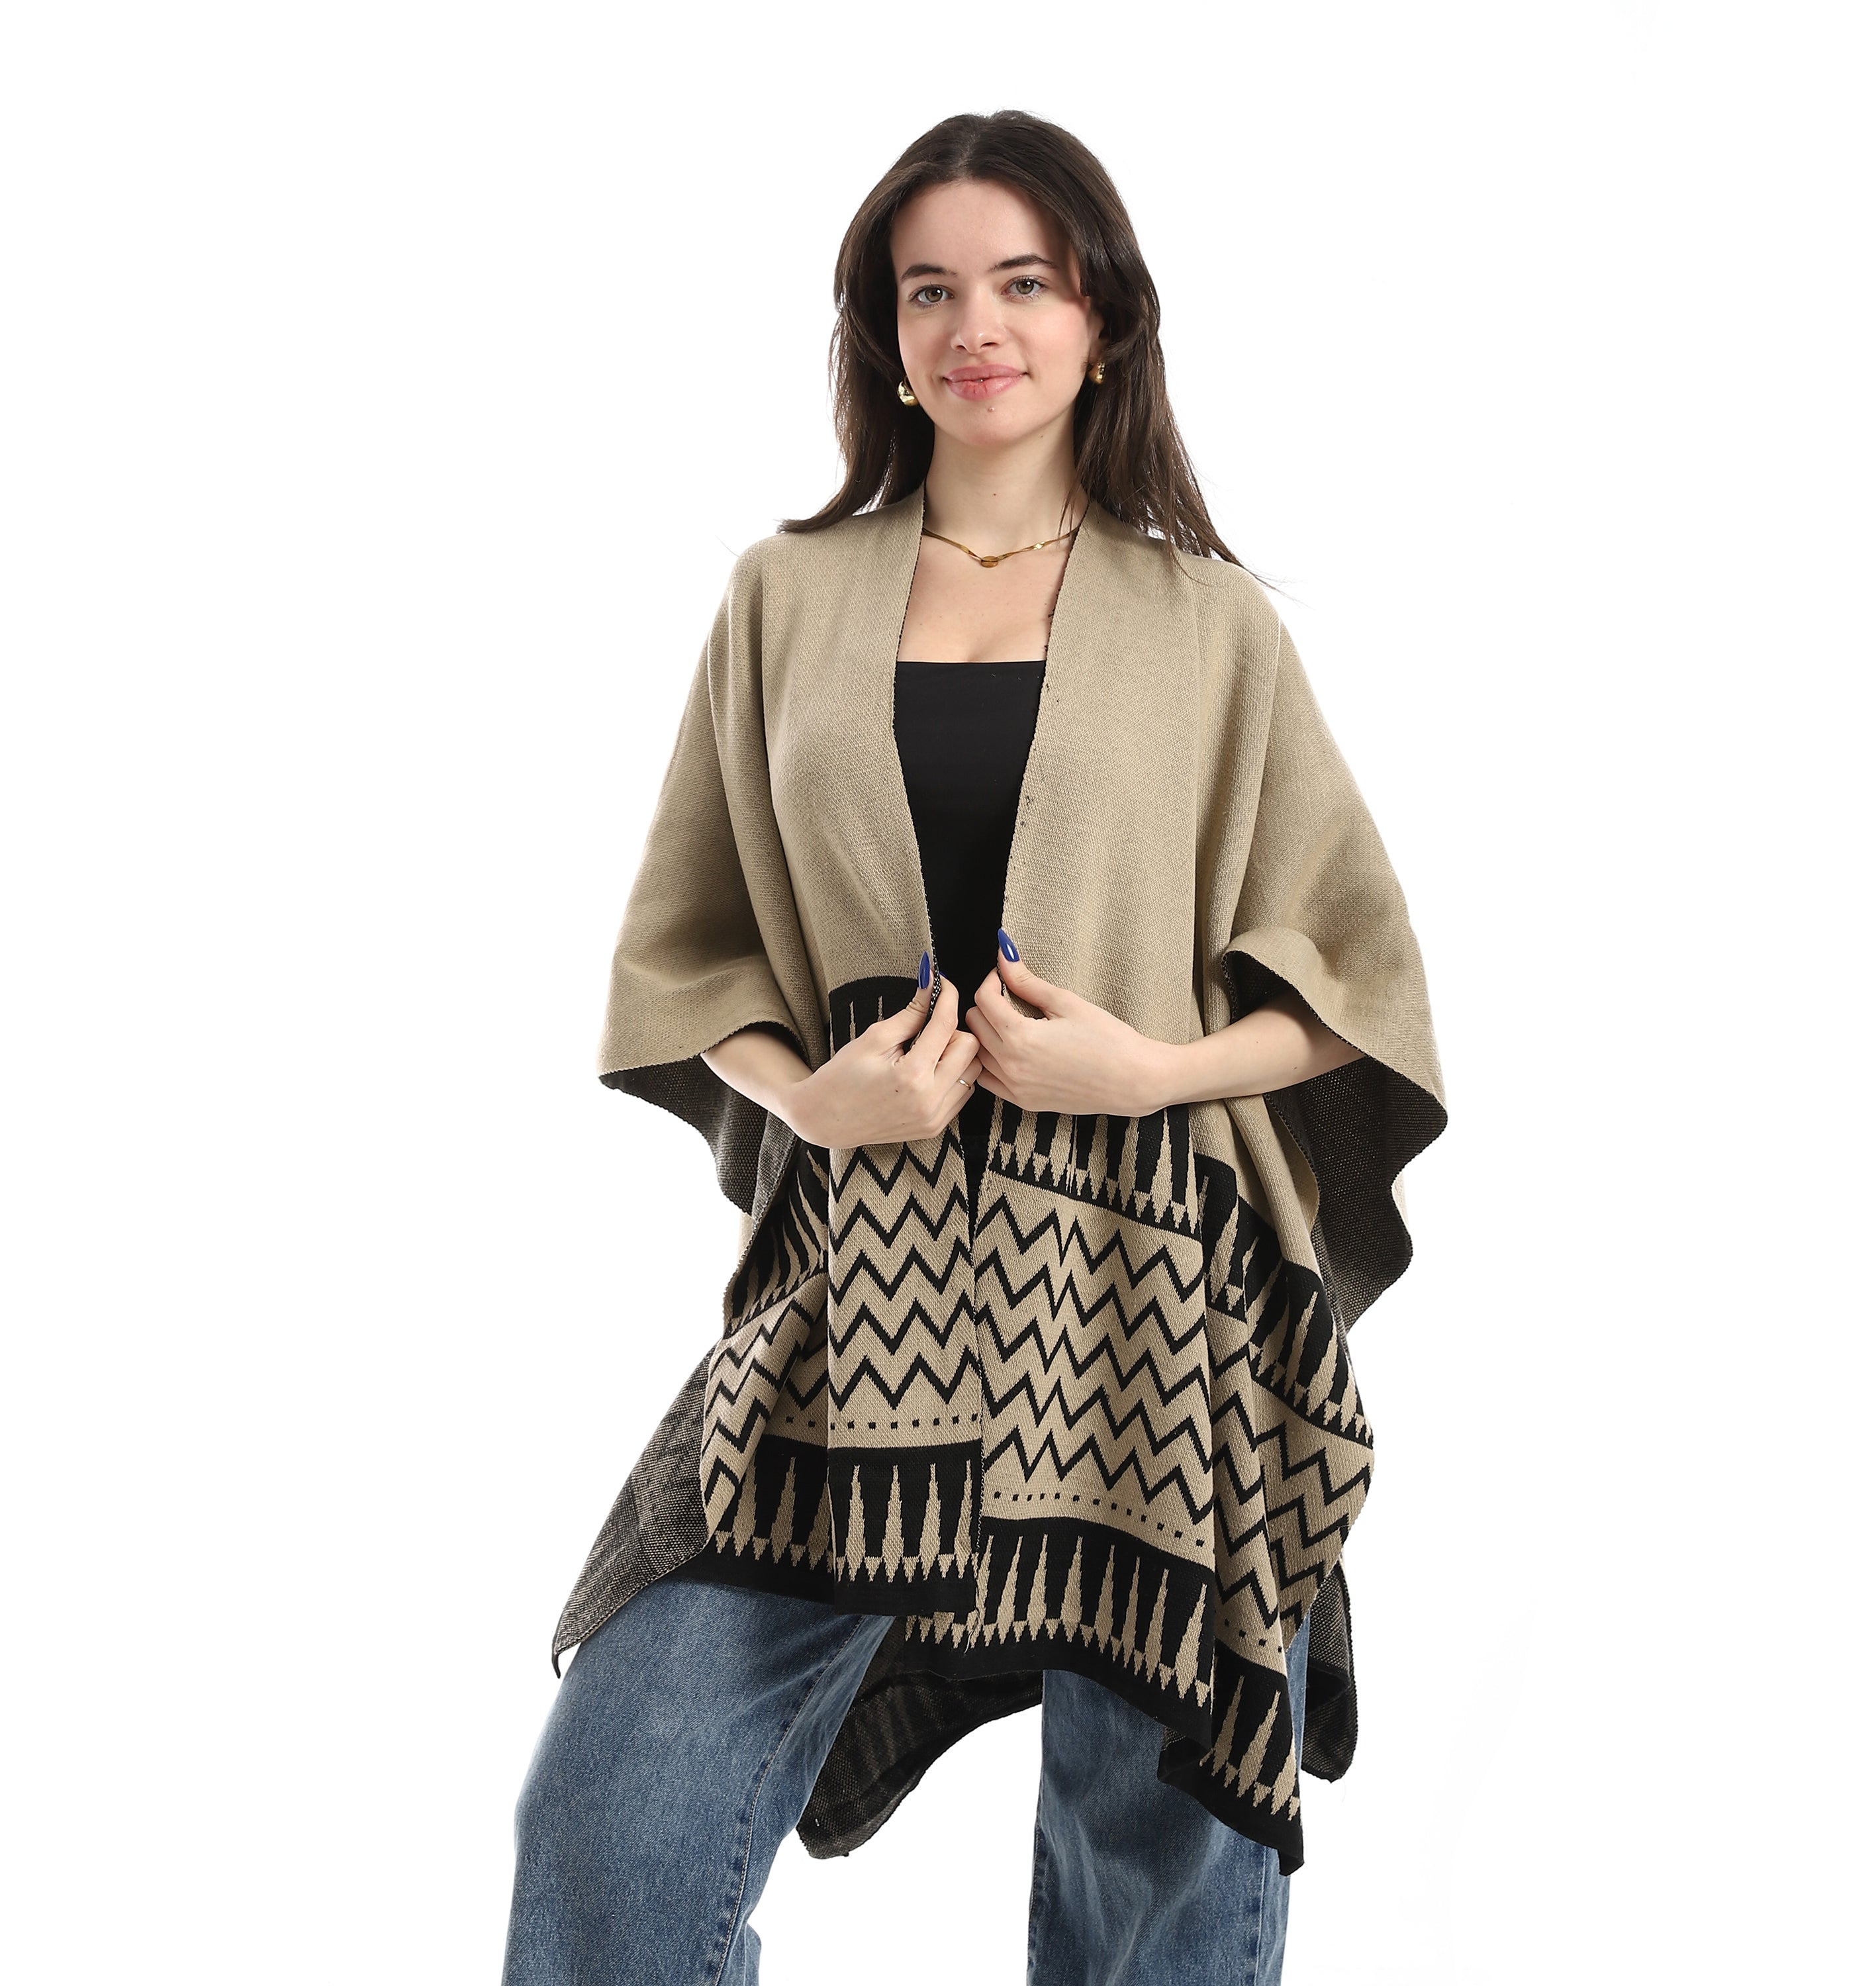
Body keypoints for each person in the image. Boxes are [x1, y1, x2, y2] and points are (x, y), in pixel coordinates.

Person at [502, 109, 1446, 1985]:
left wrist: (1149, 1074)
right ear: (882, 333)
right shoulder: (783, 596)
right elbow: (688, 958)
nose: (976, 327)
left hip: (1148, 1298)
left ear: (1104, 320)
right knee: (617, 1813)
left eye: (1024, 282)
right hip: (860, 1291)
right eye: (928, 290)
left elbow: (1356, 985)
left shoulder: (1211, 626)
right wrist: (814, 1095)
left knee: (1148, 1883)